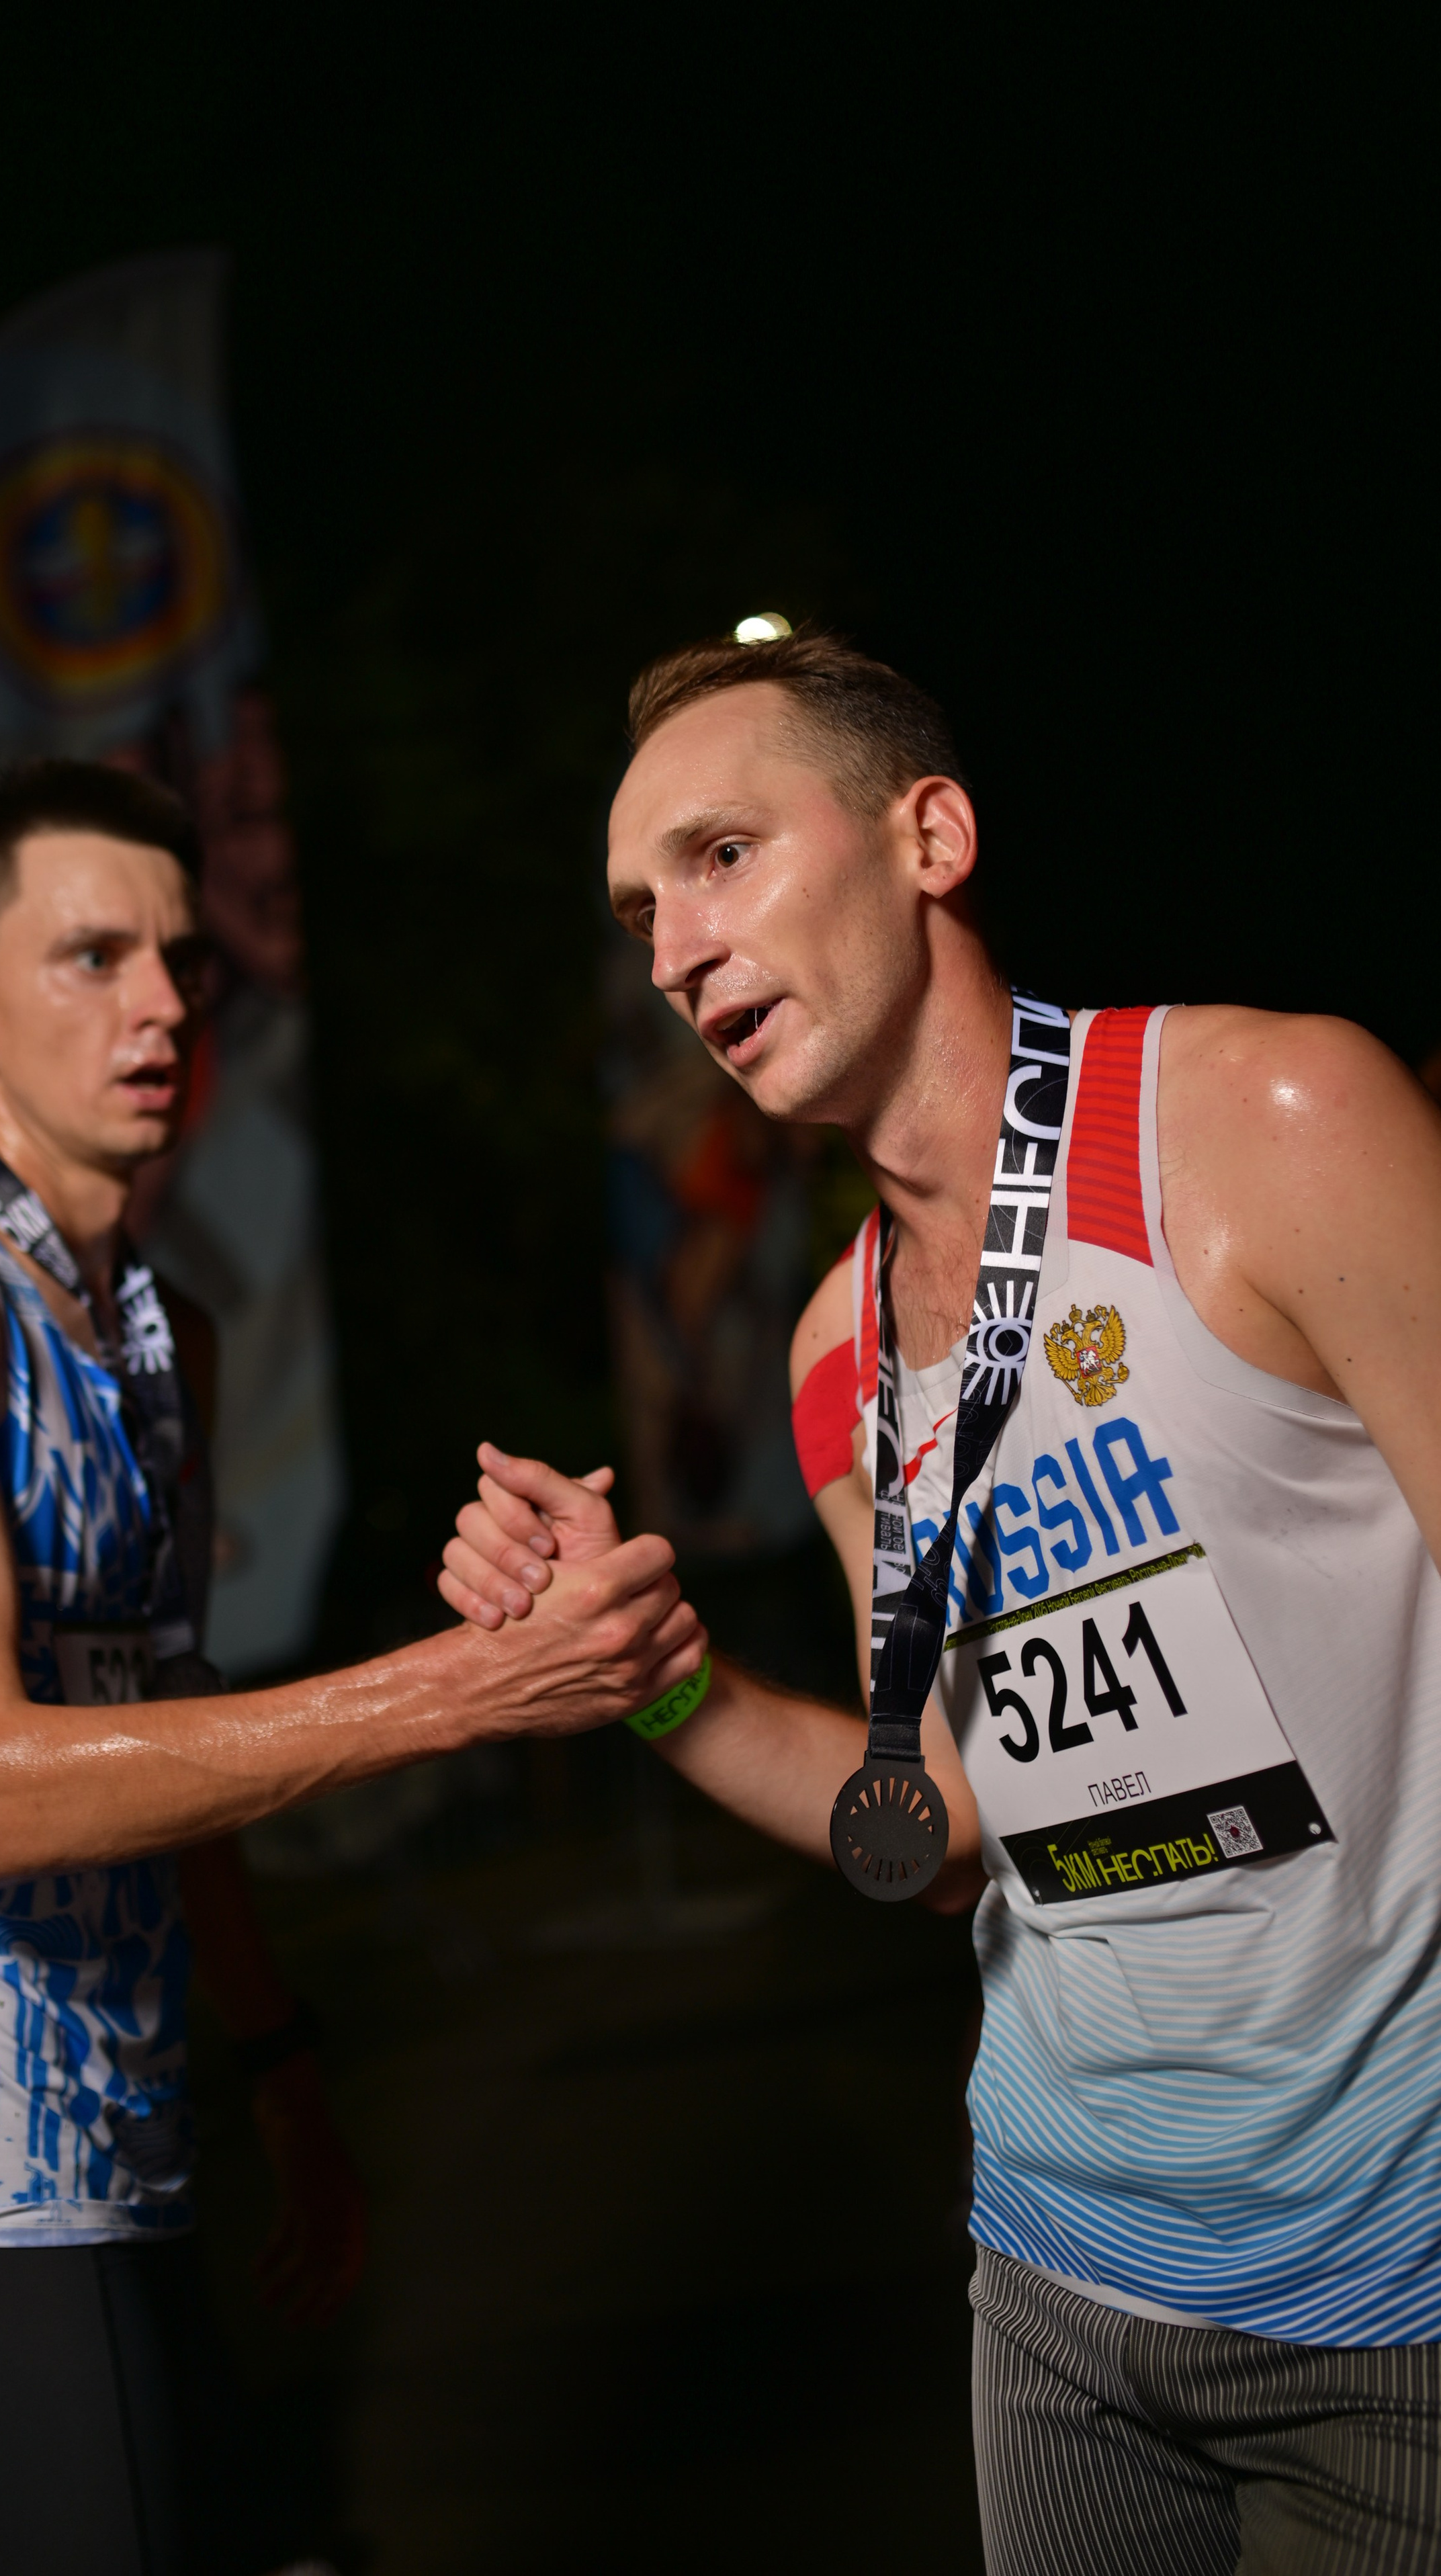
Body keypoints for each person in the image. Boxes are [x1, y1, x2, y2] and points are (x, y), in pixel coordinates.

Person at [441, 629, 1441, 2573]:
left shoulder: (1268, 1123)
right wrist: (660, 1678)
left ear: (933, 833)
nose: (672, 949)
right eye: (644, 905)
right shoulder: (838, 1357)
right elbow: (965, 1833)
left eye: (721, 855)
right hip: (1057, 2288)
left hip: (1392, 2297)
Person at [0, 758, 703, 2576]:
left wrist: (285, 2069)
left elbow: (167, 1740)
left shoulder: (153, 1323)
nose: (169, 1003)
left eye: (180, 957)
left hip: (132, 2150)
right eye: (94, 956)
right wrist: (461, 1689)